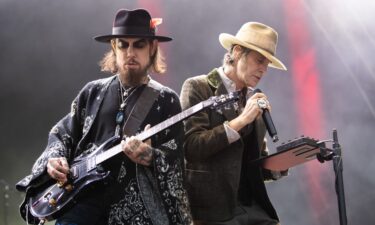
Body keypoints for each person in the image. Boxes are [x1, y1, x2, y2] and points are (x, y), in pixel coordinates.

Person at [16, 8, 192, 225]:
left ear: (152, 47)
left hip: (136, 211)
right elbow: (62, 135)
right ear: (113, 47)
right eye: (123, 44)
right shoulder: (92, 92)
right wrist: (55, 160)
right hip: (82, 204)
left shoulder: (167, 100)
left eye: (139, 44)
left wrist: (150, 157)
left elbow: (178, 162)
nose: (130, 52)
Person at [180, 22, 288, 225]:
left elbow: (253, 165)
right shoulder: (199, 87)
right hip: (211, 212)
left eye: (267, 64)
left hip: (253, 209)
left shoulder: (254, 100)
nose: (264, 69)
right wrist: (242, 120)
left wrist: (282, 164)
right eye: (260, 61)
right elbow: (191, 148)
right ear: (237, 52)